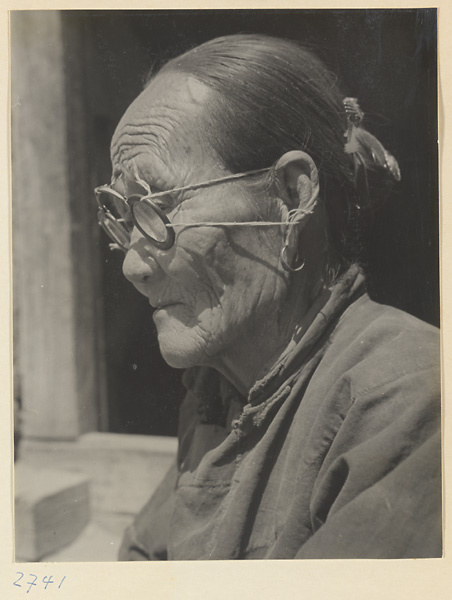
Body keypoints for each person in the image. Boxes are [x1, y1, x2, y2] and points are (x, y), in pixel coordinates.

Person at [94, 34, 441, 560]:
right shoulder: (217, 393)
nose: (132, 265)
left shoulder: (407, 397)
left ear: (291, 196)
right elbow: (142, 560)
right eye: (126, 217)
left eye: (160, 207)